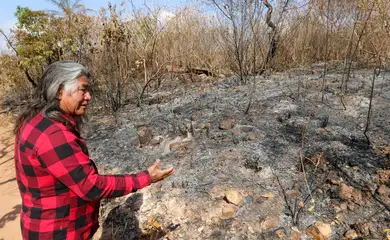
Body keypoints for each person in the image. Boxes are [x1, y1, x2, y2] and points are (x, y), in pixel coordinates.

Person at [13, 60, 175, 240]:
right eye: (83, 90)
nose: (88, 96)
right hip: (59, 233)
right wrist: (145, 178)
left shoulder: (35, 120)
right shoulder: (53, 135)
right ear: (60, 91)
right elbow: (91, 186)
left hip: (41, 226)